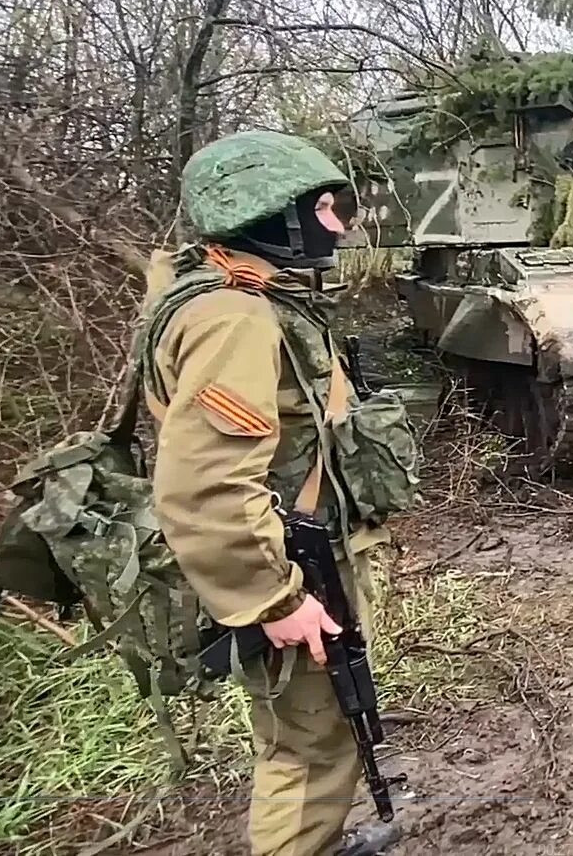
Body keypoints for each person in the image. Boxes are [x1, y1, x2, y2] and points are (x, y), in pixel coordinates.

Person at [148, 131, 416, 855]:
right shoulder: (233, 317)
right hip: (285, 564)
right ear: (270, 212)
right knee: (307, 745)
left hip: (292, 546)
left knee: (316, 727)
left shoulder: (227, 293)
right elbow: (203, 484)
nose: (337, 224)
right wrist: (277, 597)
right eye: (323, 208)